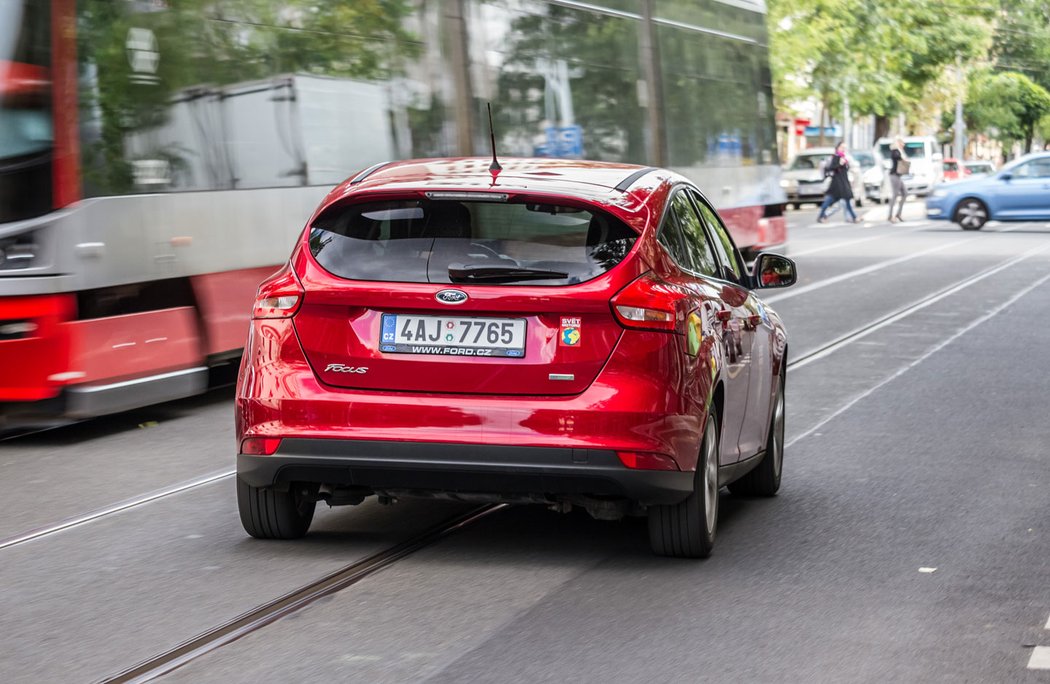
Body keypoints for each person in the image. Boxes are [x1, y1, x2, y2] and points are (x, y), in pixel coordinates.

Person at [816, 142, 861, 224]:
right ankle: (821, 216)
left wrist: (845, 163)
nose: (843, 149)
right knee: (829, 201)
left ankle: (854, 217)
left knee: (847, 201)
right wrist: (840, 163)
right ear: (838, 147)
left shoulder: (843, 157)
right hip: (837, 184)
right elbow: (832, 167)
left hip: (843, 183)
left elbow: (846, 169)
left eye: (844, 148)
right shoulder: (836, 157)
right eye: (842, 147)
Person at [887, 137, 907, 223]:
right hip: (894, 175)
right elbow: (897, 157)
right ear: (898, 142)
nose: (903, 144)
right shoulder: (895, 151)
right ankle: (890, 215)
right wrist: (903, 159)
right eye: (902, 142)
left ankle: (898, 213)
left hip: (899, 175)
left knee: (905, 193)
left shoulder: (900, 151)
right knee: (895, 195)